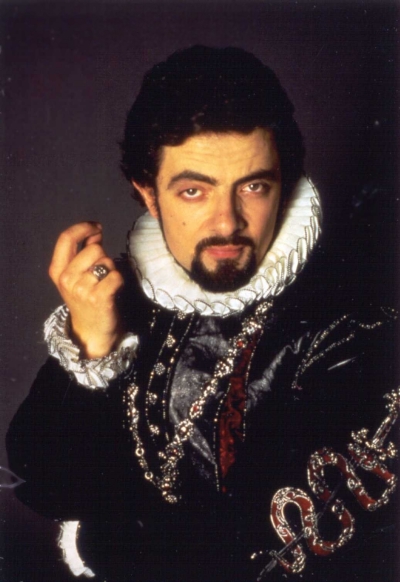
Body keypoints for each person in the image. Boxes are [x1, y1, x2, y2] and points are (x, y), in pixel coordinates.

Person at [7, 46, 398, 582]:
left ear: (283, 183)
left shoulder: (352, 327)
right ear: (148, 195)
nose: (227, 222)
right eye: (194, 191)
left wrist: (106, 535)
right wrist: (92, 348)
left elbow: (268, 558)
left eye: (253, 186)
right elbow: (46, 485)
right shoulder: (126, 295)